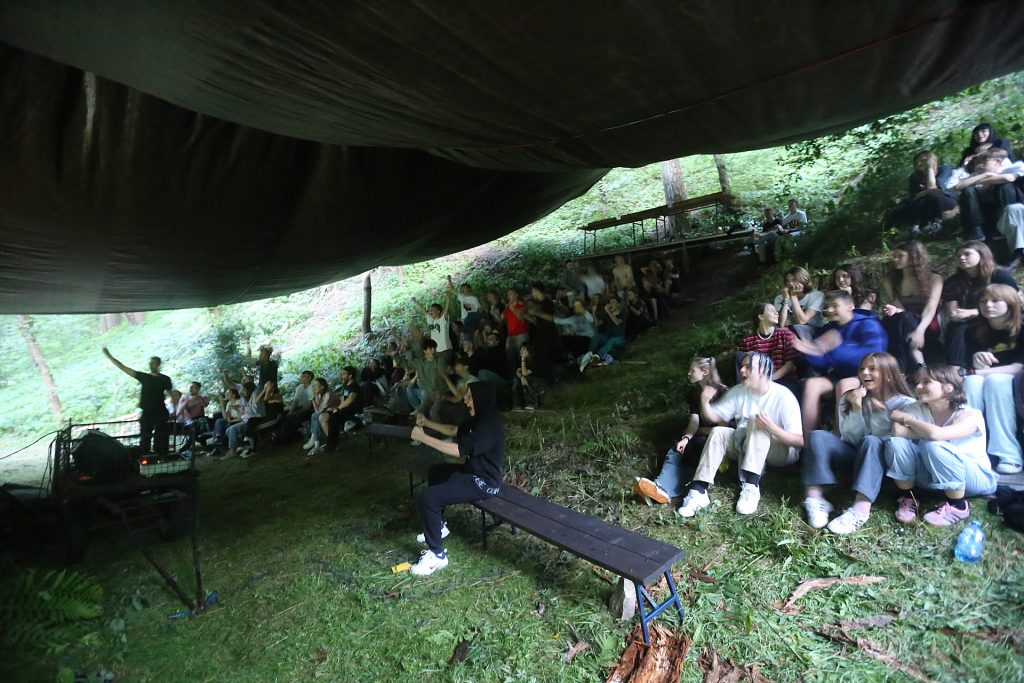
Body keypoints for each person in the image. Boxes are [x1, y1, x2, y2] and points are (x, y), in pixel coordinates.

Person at [676, 352, 803, 518]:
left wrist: (772, 428)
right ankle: (699, 491)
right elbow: (715, 418)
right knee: (719, 432)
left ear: (763, 371)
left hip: (781, 452)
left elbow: (799, 441)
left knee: (755, 421)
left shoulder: (783, 396)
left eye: (748, 367)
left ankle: (751, 486)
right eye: (742, 366)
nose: (742, 370)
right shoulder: (739, 391)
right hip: (746, 445)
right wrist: (705, 402)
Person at [800, 352, 914, 534]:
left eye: (872, 369)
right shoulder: (852, 397)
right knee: (818, 436)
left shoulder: (906, 404)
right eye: (862, 369)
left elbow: (896, 444)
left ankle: (861, 509)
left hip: (884, 471)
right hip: (854, 457)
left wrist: (879, 415)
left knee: (872, 441)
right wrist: (856, 407)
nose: (865, 373)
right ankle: (815, 498)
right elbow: (851, 438)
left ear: (889, 374)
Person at [409, 382, 505, 576]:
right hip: (471, 472)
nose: (465, 401)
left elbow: (458, 450)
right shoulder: (479, 418)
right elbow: (454, 431)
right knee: (436, 472)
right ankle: (439, 526)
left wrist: (424, 438)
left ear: (480, 399)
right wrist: (427, 423)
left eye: (469, 397)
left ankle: (437, 556)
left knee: (429, 498)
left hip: (484, 483)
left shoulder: (489, 426)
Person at [886, 365, 998, 526]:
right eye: (918, 382)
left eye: (926, 382)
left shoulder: (970, 414)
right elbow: (897, 431)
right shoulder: (916, 408)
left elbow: (936, 435)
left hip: (973, 480)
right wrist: (928, 432)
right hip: (932, 476)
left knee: (932, 445)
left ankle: (958, 506)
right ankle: (909, 498)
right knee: (896, 443)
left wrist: (908, 420)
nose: (918, 387)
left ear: (948, 388)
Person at [632, 357, 728, 505]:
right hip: (700, 436)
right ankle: (659, 487)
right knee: (678, 446)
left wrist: (702, 430)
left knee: (697, 449)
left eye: (692, 370)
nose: (688, 373)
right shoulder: (694, 393)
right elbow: (694, 421)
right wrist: (686, 438)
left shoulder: (723, 392)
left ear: (704, 372)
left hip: (719, 441)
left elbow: (726, 429)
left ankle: (664, 489)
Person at [792, 290, 888, 435]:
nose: (829, 310)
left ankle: (839, 436)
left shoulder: (869, 324)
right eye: (827, 306)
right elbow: (821, 362)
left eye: (835, 305)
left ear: (850, 306)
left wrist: (834, 349)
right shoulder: (830, 328)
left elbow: (872, 357)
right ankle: (806, 440)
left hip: (866, 376)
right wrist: (812, 351)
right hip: (839, 375)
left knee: (844, 385)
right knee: (812, 384)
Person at [964, 284, 1024, 474]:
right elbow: (968, 369)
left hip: (1015, 381)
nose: (988, 305)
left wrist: (977, 372)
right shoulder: (972, 331)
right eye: (983, 301)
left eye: (995, 300)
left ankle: (1009, 455)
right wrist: (976, 361)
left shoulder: (1022, 329)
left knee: (996, 381)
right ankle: (971, 451)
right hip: (983, 379)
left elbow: (1017, 368)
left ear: (1011, 303)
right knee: (971, 383)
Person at [941, 241, 1018, 368]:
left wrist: (975, 311)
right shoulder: (953, 281)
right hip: (970, 322)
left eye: (967, 254)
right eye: (958, 256)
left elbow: (1014, 302)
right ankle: (954, 369)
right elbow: (952, 310)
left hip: (1000, 318)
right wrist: (955, 315)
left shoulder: (999, 275)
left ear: (982, 255)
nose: (962, 258)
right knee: (957, 327)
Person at [880, 241, 943, 374]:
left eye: (900, 256)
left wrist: (920, 330)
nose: (895, 259)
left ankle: (909, 369)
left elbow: (931, 307)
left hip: (926, 320)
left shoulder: (934, 279)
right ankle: (918, 366)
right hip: (901, 317)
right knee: (903, 318)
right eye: (894, 256)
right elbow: (897, 305)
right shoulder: (889, 280)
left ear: (914, 257)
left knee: (906, 320)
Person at [102, 348, 173, 455]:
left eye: (153, 363)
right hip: (148, 412)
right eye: (150, 363)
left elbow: (171, 394)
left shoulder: (165, 379)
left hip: (161, 412)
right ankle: (146, 456)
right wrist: (109, 356)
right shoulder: (145, 377)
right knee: (145, 437)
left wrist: (174, 409)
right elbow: (123, 368)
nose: (151, 365)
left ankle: (161, 456)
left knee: (161, 437)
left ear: (158, 364)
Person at [954, 148, 1023, 241]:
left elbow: (1008, 178)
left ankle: (1004, 226)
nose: (979, 166)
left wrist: (985, 180)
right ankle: (976, 230)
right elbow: (958, 186)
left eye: (983, 162)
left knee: (1005, 186)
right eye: (977, 163)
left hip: (1006, 210)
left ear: (997, 162)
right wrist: (985, 175)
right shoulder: (976, 175)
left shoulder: (1011, 168)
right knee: (968, 189)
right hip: (982, 213)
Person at [737, 302, 798, 386]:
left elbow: (790, 364)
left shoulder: (785, 334)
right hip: (756, 382)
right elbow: (744, 366)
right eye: (771, 310)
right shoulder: (747, 341)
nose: (776, 313)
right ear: (761, 316)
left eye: (776, 311)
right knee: (738, 356)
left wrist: (770, 379)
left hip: (783, 380)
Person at [895, 151, 956, 233]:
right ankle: (919, 226)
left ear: (931, 160)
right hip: (925, 201)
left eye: (923, 160)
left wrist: (930, 169)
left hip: (945, 199)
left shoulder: (944, 169)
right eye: (917, 161)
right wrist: (927, 191)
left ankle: (937, 222)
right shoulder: (914, 177)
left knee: (932, 194)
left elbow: (934, 188)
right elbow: (914, 196)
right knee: (913, 202)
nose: (919, 163)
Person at [314, 366, 363, 455]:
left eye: (344, 374)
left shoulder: (354, 386)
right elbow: (343, 399)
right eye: (341, 374)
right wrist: (337, 408)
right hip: (345, 410)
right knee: (323, 417)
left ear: (350, 375)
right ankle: (332, 443)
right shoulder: (346, 386)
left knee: (333, 419)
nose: (341, 376)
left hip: (353, 411)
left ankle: (331, 444)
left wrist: (338, 409)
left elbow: (350, 399)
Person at [404, 335, 447, 420]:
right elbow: (406, 363)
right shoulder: (420, 363)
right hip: (429, 392)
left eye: (434, 348)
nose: (433, 350)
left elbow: (439, 378)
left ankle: (437, 428)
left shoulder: (440, 362)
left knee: (433, 412)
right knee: (420, 412)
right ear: (424, 351)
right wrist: (395, 356)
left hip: (440, 392)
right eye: (430, 349)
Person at [774, 267, 825, 340]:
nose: (790, 283)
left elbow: (802, 321)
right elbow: (781, 324)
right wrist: (785, 300)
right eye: (788, 281)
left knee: (796, 327)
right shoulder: (780, 298)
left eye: (794, 280)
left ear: (804, 280)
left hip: (815, 334)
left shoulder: (817, 295)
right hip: (792, 334)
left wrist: (793, 296)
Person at [580, 295, 627, 369]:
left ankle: (597, 357)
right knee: (597, 336)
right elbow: (597, 324)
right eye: (610, 303)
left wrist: (609, 312)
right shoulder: (607, 315)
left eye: (613, 302)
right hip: (608, 336)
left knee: (611, 341)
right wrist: (594, 312)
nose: (611, 304)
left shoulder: (623, 313)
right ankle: (588, 355)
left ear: (618, 304)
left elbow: (617, 322)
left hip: (618, 338)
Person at [239, 380, 284, 458]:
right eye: (265, 386)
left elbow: (266, 397)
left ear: (272, 386)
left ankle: (253, 449)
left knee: (256, 428)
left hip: (276, 418)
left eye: (267, 386)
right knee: (251, 420)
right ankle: (248, 440)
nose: (266, 387)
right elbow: (257, 401)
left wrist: (268, 389)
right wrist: (264, 390)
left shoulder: (278, 395)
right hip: (267, 418)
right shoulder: (266, 395)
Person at [271, 370, 315, 443]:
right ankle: (281, 432)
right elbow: (296, 401)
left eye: (304, 376)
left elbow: (309, 405)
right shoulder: (299, 388)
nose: (301, 378)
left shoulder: (312, 388)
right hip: (300, 407)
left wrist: (295, 412)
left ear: (309, 378)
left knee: (297, 416)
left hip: (310, 409)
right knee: (285, 414)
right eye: (301, 376)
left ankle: (286, 436)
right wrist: (291, 411)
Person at [414, 294, 454, 363]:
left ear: (438, 311)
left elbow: (446, 310)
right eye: (430, 310)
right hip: (436, 351)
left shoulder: (443, 320)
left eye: (432, 310)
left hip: (445, 350)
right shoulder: (431, 320)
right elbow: (423, 311)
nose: (430, 311)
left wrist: (448, 298)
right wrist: (415, 302)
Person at [302, 378, 337, 453]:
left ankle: (315, 442)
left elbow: (319, 411)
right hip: (326, 411)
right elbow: (317, 409)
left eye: (315, 385)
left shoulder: (328, 394)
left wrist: (312, 399)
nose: (313, 388)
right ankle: (315, 442)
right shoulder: (318, 394)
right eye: (313, 386)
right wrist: (314, 399)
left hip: (335, 411)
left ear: (322, 386)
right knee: (314, 415)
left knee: (316, 415)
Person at [513, 342, 551, 410]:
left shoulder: (535, 360)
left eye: (523, 349)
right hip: (531, 380)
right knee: (517, 380)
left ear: (528, 351)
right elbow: (517, 372)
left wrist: (523, 359)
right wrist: (521, 377)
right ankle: (519, 403)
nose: (521, 351)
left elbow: (524, 373)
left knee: (526, 379)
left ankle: (532, 403)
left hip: (541, 382)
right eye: (521, 349)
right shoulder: (523, 359)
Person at [500, 289, 530, 374]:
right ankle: (514, 377)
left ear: (516, 295)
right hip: (510, 336)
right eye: (508, 294)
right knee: (510, 358)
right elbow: (500, 319)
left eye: (511, 294)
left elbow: (522, 318)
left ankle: (525, 376)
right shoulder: (508, 307)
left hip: (521, 334)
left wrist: (512, 308)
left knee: (522, 357)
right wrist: (494, 311)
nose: (509, 296)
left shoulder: (521, 304)